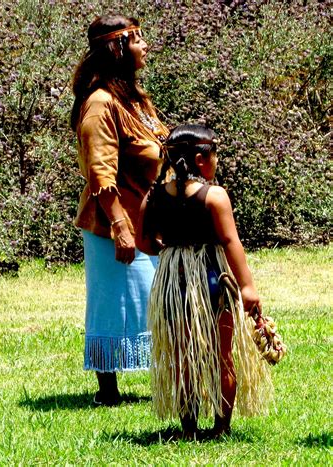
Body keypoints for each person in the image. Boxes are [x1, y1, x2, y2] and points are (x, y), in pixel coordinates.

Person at [136, 124, 273, 438]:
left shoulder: (155, 195)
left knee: (183, 356)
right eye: (215, 154)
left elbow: (143, 242)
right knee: (221, 354)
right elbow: (230, 241)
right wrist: (248, 288)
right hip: (212, 277)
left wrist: (169, 251)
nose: (217, 161)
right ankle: (221, 428)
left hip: (174, 282)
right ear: (200, 159)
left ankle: (189, 427)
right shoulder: (215, 196)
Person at [71, 15, 168, 406]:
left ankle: (163, 376)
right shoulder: (101, 104)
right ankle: (107, 392)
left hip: (147, 218)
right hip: (114, 222)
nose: (145, 46)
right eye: (138, 40)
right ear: (118, 48)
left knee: (154, 299)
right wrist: (120, 227)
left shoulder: (134, 99)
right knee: (112, 300)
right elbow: (100, 170)